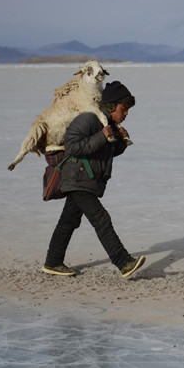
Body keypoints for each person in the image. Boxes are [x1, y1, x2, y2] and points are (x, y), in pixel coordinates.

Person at [42, 80, 146, 279]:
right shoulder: (89, 119)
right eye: (124, 109)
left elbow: (103, 154)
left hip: (85, 180)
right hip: (77, 178)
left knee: (68, 221)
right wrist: (102, 135)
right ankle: (123, 262)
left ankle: (53, 262)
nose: (126, 114)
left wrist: (120, 142)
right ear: (110, 106)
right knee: (101, 219)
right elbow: (73, 147)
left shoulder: (108, 125)